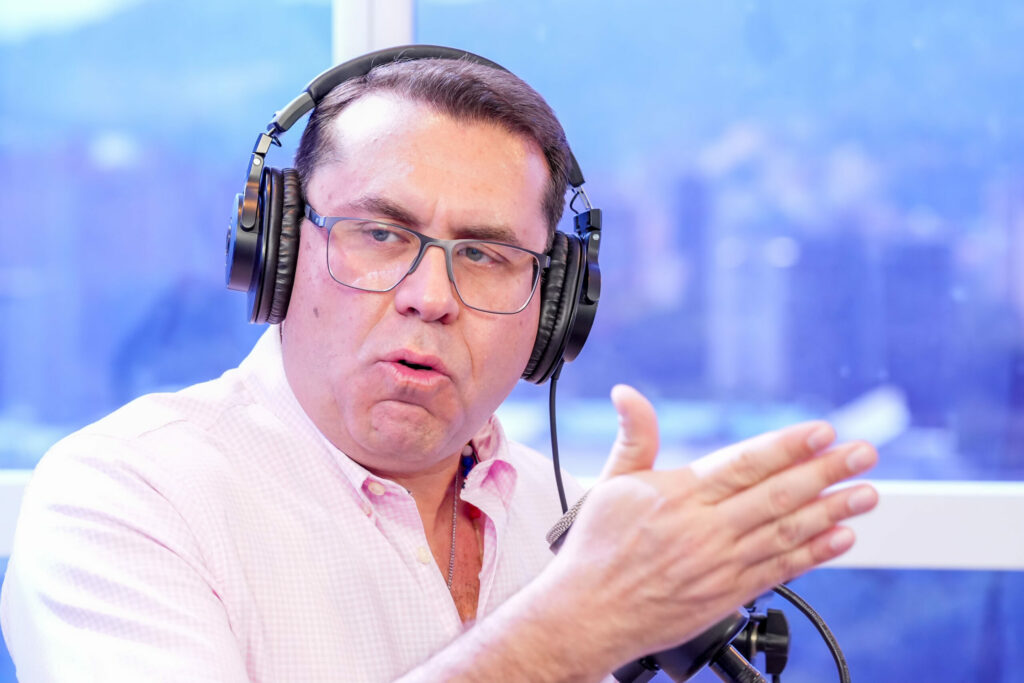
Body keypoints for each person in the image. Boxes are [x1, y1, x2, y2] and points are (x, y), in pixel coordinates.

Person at [0, 50, 879, 682]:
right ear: (278, 251)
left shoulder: (573, 527)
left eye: (486, 253)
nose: (430, 296)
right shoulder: (123, 496)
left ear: (554, 306)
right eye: (382, 233)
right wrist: (570, 631)